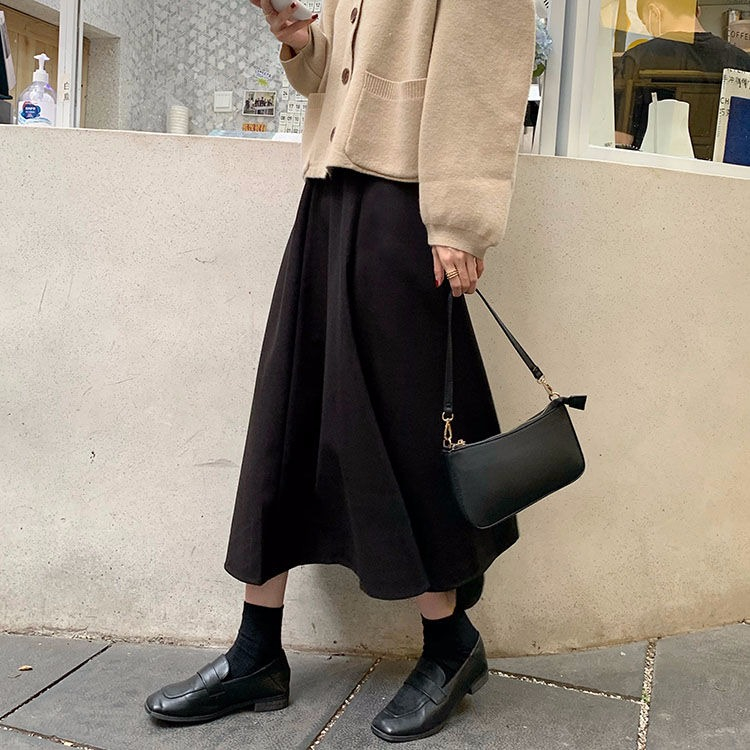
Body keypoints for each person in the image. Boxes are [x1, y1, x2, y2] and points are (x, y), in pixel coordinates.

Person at [145, 0, 536, 742]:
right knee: (288, 411)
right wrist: (303, 40)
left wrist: (459, 217)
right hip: (328, 191)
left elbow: (481, 76)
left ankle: (450, 642)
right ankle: (257, 650)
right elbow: (346, 70)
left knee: (404, 427)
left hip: (404, 202)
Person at [614, 0, 750, 149]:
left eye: (647, 24)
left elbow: (620, 142)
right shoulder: (743, 62)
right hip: (725, 164)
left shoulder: (636, 60)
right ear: (698, 11)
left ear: (654, 12)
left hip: (653, 162)